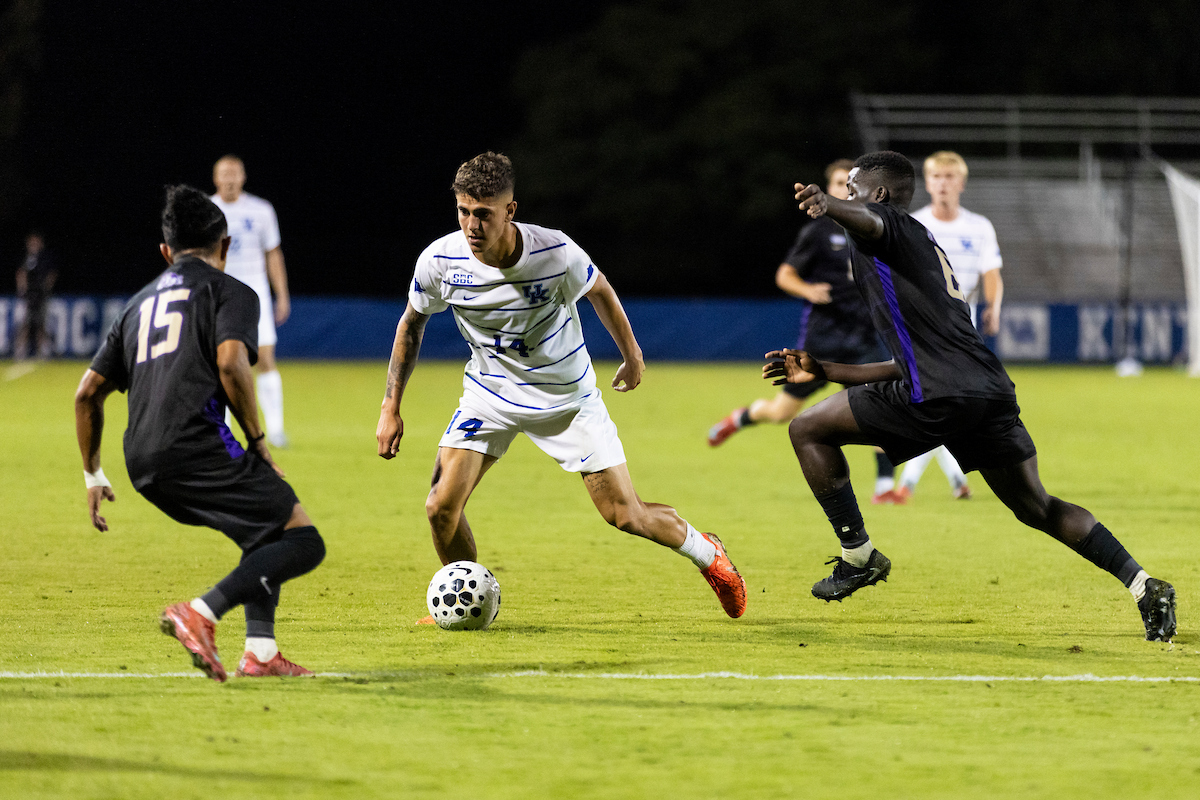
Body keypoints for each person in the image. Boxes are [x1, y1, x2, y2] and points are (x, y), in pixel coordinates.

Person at [763, 150, 1176, 641]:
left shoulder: (889, 225)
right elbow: (911, 359)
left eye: (851, 189)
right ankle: (1144, 585)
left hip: (938, 394)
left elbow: (870, 220)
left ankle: (858, 556)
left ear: (878, 195)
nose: (846, 196)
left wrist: (829, 204)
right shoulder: (912, 249)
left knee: (806, 428)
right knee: (1036, 507)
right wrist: (826, 368)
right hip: (984, 387)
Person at [376, 152, 746, 621]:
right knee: (440, 507)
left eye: (484, 214)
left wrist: (632, 355)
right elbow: (411, 326)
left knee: (625, 515)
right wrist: (391, 407)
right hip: (489, 397)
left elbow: (601, 291)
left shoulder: (555, 253)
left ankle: (708, 553)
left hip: (566, 400)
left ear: (510, 211)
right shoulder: (440, 261)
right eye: (464, 211)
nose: (472, 225)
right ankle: (466, 600)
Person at [74, 185, 326, 681]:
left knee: (264, 528)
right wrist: (257, 441)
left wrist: (91, 474)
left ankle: (260, 652)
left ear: (166, 252)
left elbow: (86, 394)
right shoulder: (230, 291)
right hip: (195, 446)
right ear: (225, 246)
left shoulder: (136, 305)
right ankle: (201, 612)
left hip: (140, 461)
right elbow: (232, 364)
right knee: (303, 540)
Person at [707, 160, 900, 502]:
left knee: (880, 408)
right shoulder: (819, 231)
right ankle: (739, 419)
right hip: (823, 342)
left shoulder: (875, 229)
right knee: (782, 412)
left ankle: (885, 487)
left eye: (852, 183)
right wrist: (808, 290)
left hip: (866, 339)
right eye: (840, 182)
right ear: (830, 189)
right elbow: (784, 275)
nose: (847, 189)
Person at [890, 151, 1005, 502]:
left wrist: (993, 307)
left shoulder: (979, 226)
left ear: (961, 183)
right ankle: (917, 484)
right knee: (941, 403)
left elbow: (992, 273)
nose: (943, 183)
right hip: (921, 329)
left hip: (961, 329)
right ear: (927, 183)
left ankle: (937, 481)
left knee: (941, 405)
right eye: (937, 177)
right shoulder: (914, 224)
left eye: (949, 177)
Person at [210, 155, 291, 448]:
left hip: (255, 295)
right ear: (216, 178)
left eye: (235, 173)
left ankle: (277, 430)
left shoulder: (261, 210)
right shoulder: (207, 210)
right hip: (218, 295)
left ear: (243, 177)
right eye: (224, 174)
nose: (230, 179)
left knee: (265, 359)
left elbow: (273, 253)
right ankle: (224, 430)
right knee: (221, 362)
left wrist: (281, 294)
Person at [13, 230, 58, 361]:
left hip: (41, 295)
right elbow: (20, 273)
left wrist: (47, 288)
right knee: (24, 323)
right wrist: (22, 289)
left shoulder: (45, 258)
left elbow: (52, 274)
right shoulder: (26, 258)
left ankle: (41, 352)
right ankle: (20, 351)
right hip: (28, 296)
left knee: (41, 323)